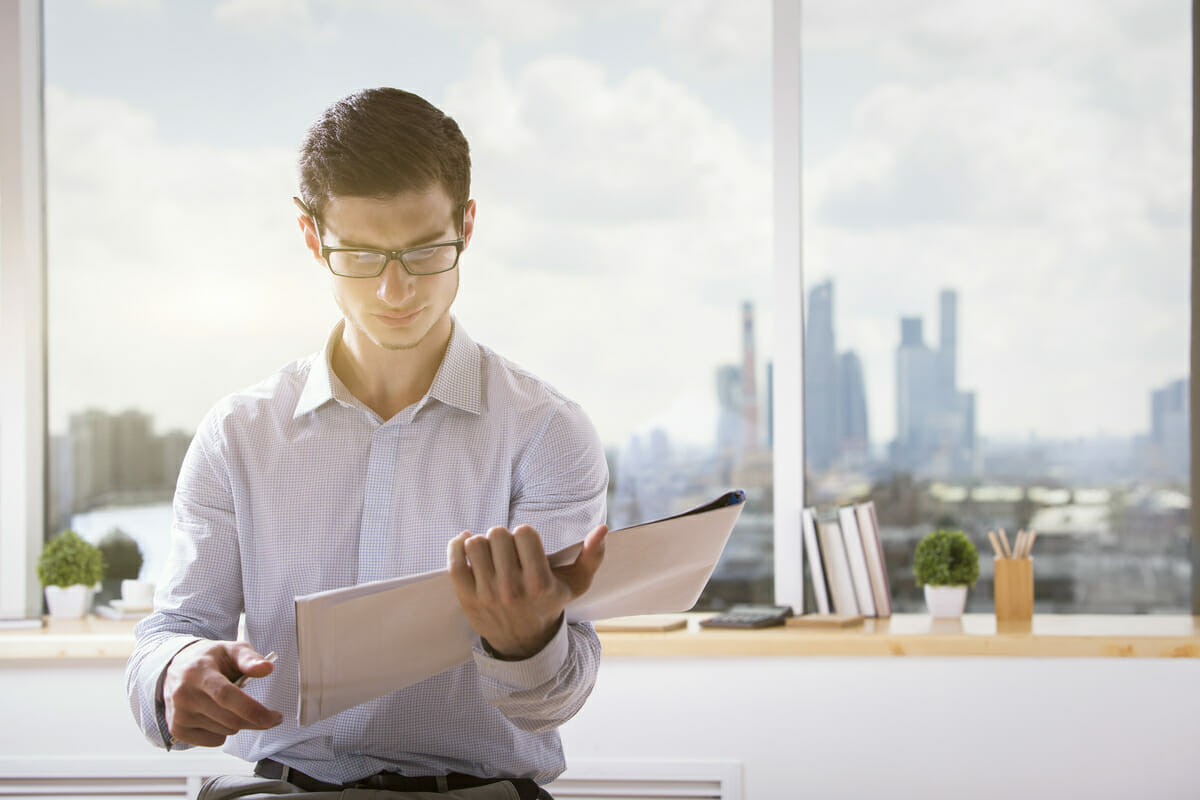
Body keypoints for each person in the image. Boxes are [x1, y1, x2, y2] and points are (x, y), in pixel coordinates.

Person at [125, 87, 610, 800]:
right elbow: (173, 628)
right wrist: (176, 671)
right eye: (360, 254)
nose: (394, 289)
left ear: (467, 226)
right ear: (312, 237)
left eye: (424, 251)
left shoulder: (548, 433)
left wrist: (526, 643)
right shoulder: (239, 434)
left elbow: (554, 703)